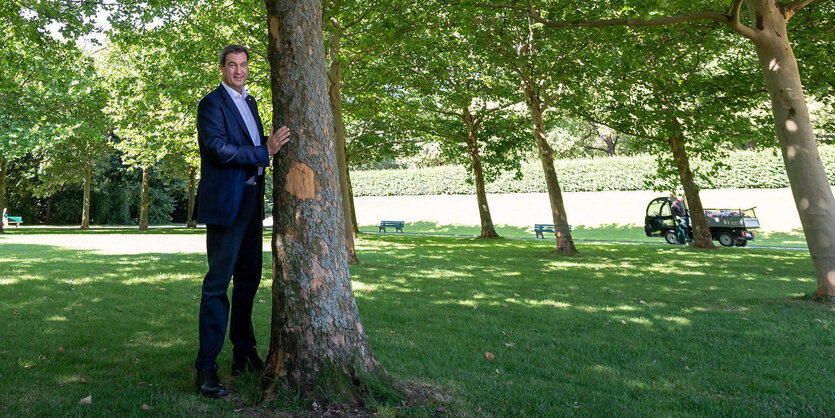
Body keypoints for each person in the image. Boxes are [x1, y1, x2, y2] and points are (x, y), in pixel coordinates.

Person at [193, 44, 291, 398]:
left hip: (251, 208)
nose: (239, 71)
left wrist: (264, 147)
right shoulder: (210, 105)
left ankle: (244, 353)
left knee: (249, 281)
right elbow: (218, 149)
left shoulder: (250, 103)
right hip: (225, 208)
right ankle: (206, 369)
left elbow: (254, 148)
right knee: (218, 286)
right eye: (232, 65)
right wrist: (264, 151)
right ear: (221, 68)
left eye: (244, 65)